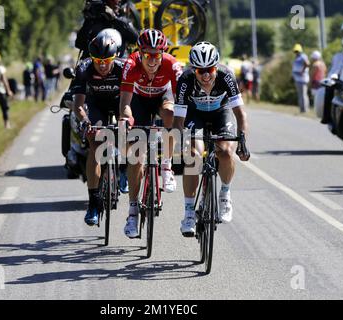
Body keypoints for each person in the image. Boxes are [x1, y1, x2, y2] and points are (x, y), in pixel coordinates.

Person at [173, 42, 249, 236]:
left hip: (220, 113)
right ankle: (189, 213)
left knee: (224, 152)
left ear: (216, 67)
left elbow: (240, 115)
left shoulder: (226, 76)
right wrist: (180, 142)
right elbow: (179, 119)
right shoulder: (185, 79)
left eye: (210, 69)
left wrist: (242, 142)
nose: (206, 75)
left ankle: (225, 194)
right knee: (193, 156)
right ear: (193, 69)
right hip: (195, 114)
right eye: (200, 71)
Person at [119, 28, 183, 238]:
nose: (153, 60)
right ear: (140, 53)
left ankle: (166, 166)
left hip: (162, 97)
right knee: (137, 157)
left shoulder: (171, 64)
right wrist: (127, 119)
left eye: (157, 55)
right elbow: (125, 103)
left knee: (170, 114)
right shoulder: (131, 64)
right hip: (138, 101)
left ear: (162, 53)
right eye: (148, 55)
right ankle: (132, 211)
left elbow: (180, 99)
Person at [67, 33, 125, 226]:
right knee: (95, 144)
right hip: (96, 105)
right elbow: (78, 104)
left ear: (114, 57)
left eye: (106, 61)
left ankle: (124, 169)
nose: (102, 65)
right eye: (98, 61)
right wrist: (85, 122)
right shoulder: (84, 68)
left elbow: (134, 100)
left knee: (129, 132)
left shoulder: (123, 69)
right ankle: (93, 203)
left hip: (119, 102)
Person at [292, 43, 310, 113]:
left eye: (297, 51)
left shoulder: (303, 56)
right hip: (298, 79)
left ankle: (305, 109)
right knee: (300, 95)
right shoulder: (297, 57)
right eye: (295, 51)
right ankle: (301, 109)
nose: (296, 52)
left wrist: (302, 71)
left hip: (302, 79)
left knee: (303, 95)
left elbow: (307, 63)